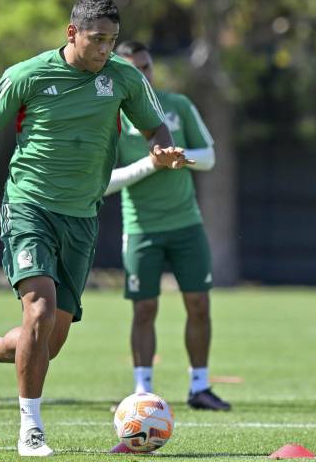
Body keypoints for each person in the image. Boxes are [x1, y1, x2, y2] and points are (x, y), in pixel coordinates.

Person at [0, 0, 193, 456]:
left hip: (82, 216)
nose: (105, 49)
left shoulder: (124, 77)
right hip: (29, 206)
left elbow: (156, 127)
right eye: (97, 39)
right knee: (38, 312)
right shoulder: (28, 74)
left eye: (112, 40)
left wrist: (162, 150)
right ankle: (30, 429)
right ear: (72, 33)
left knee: (48, 342)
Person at [105, 40, 231, 411]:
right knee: (144, 309)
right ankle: (142, 391)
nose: (142, 75)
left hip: (186, 225)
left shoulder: (177, 106)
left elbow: (209, 157)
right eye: (133, 69)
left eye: (146, 67)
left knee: (199, 304)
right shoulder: (110, 117)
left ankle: (200, 387)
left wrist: (180, 156)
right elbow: (104, 182)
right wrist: (151, 164)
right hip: (141, 229)